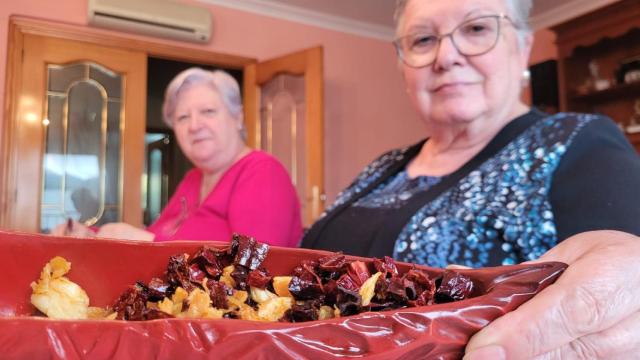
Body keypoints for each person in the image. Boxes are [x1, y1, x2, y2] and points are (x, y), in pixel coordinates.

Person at [302, 0, 640, 357]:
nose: (446, 56)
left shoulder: (577, 141)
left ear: (522, 48)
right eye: (423, 40)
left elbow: (624, 268)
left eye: (476, 29)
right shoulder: (383, 166)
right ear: (403, 68)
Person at [53, 68, 302, 247]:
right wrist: (90, 233)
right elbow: (158, 234)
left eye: (208, 111)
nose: (194, 126)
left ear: (237, 118)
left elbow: (257, 267)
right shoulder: (193, 179)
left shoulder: (262, 171)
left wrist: (148, 241)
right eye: (183, 117)